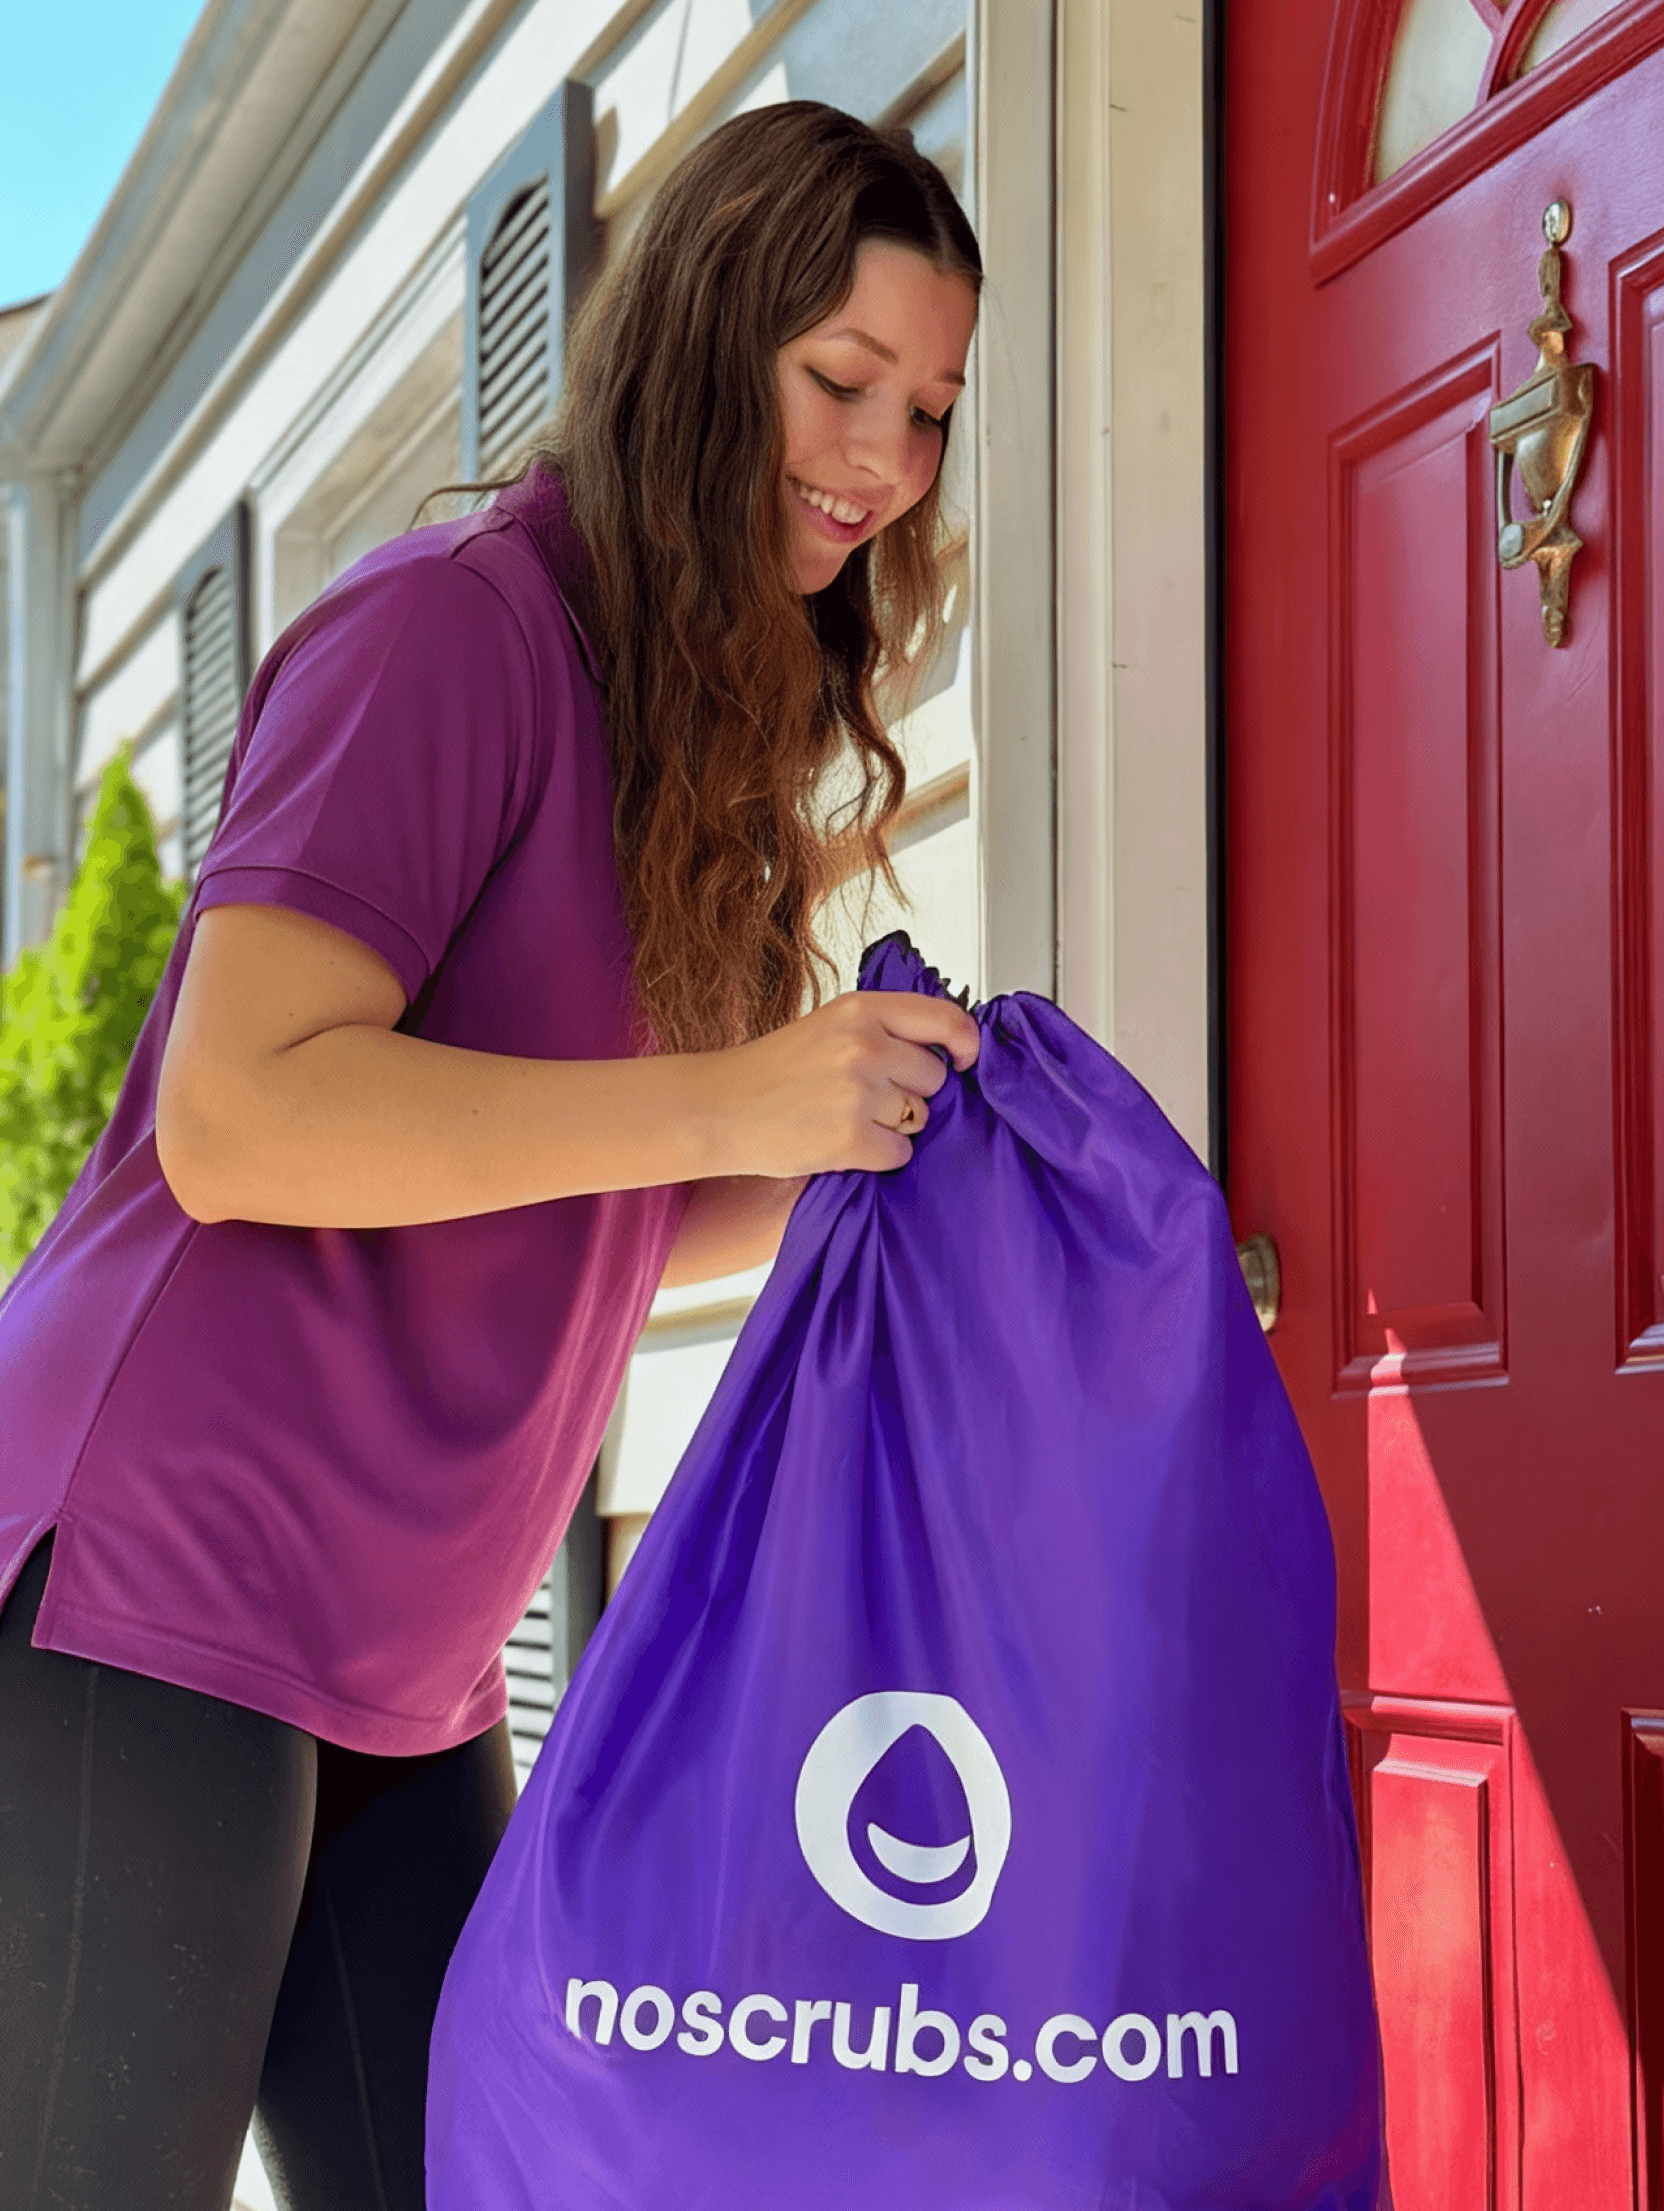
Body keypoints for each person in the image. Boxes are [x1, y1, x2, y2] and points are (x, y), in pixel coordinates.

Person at [0, 102, 981, 2211]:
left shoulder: (684, 739)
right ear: (706, 344)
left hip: (404, 1648)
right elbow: (242, 1110)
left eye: (930, 407)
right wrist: (741, 1096)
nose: (887, 459)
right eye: (842, 383)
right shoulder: (448, 631)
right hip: (153, 1581)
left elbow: (614, 1189)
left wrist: (870, 1152)